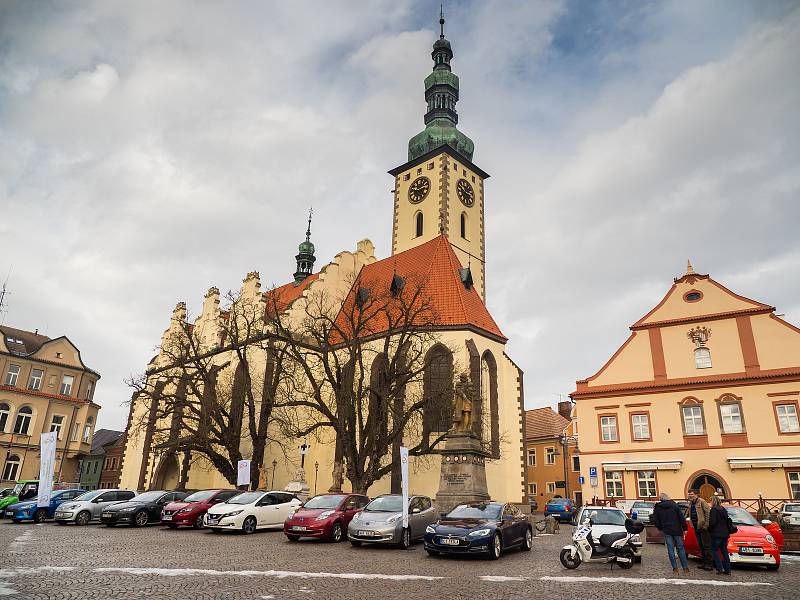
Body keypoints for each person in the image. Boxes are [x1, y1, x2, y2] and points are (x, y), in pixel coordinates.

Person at [651, 492, 689, 574]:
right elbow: (681, 517)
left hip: (667, 530)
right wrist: (685, 528)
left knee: (670, 549)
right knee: (681, 548)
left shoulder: (658, 507)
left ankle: (675, 568)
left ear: (660, 499)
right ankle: (685, 567)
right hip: (677, 529)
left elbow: (655, 520)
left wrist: (660, 527)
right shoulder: (674, 505)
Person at [687, 489, 712, 570]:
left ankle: (709, 564)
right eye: (689, 494)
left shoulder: (702, 501)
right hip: (696, 527)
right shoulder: (691, 503)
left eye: (692, 494)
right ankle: (704, 563)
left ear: (696, 494)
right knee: (700, 546)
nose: (690, 495)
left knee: (706, 546)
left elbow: (707, 513)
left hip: (703, 527)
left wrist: (706, 525)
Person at [708, 496, 732, 575]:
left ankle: (719, 568)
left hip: (716, 534)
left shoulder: (714, 510)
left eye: (711, 501)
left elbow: (712, 523)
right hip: (725, 534)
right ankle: (728, 569)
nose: (710, 502)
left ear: (713, 502)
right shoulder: (723, 509)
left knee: (714, 550)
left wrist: (709, 529)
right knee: (724, 551)